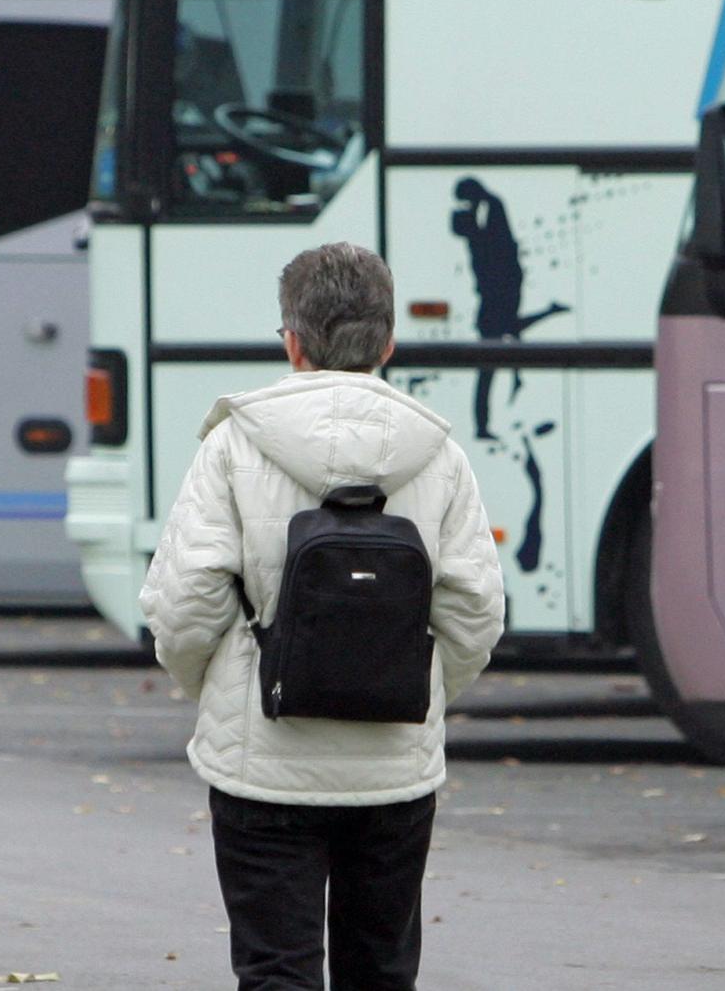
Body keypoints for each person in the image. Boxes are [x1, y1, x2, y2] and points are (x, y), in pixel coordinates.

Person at [141, 241, 506, 990]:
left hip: (262, 768)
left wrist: (219, 690)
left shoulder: (235, 445)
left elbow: (186, 603)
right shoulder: (437, 453)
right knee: (381, 971)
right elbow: (475, 611)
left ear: (293, 341)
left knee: (277, 970)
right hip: (394, 770)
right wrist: (421, 687)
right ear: (388, 341)